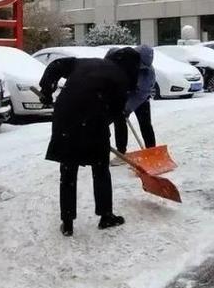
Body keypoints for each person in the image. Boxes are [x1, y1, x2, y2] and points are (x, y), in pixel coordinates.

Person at [39, 47, 140, 237]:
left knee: (68, 170)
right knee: (101, 169)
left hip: (65, 115)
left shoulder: (86, 61)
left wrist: (47, 90)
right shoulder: (121, 78)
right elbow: (116, 111)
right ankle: (106, 216)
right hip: (93, 119)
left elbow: (56, 65)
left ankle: (67, 222)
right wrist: (98, 126)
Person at [109, 45, 157, 166]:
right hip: (123, 93)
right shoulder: (120, 57)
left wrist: (128, 108)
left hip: (140, 97)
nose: (141, 67)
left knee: (145, 123)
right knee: (119, 121)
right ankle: (121, 153)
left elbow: (142, 93)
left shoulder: (148, 72)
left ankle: (152, 151)